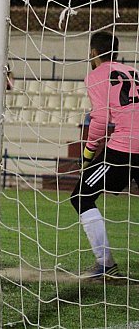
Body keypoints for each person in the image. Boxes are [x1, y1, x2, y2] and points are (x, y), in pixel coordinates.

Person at [70, 31, 138, 279]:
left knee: (81, 196)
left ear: (93, 52)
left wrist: (88, 154)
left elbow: (99, 120)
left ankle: (105, 265)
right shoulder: (133, 71)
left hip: (125, 147)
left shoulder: (97, 75)